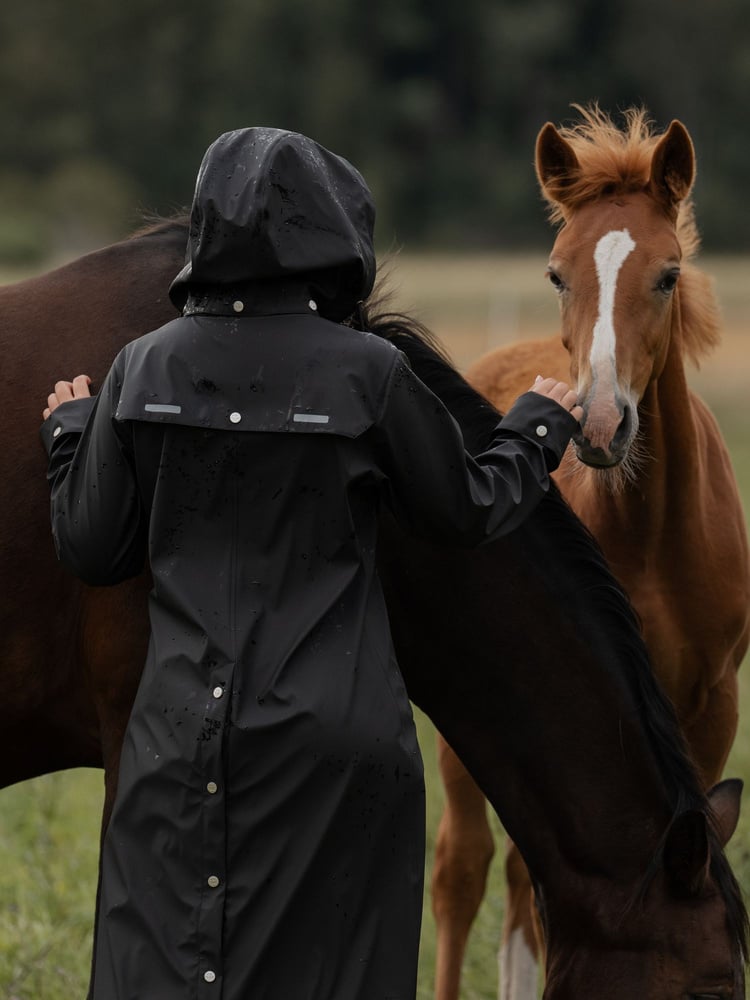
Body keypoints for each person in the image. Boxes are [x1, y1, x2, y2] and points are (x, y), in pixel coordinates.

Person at [40, 127, 582, 1000]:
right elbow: (468, 512)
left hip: (177, 743)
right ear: (336, 233)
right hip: (336, 743)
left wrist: (70, 438)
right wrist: (535, 429)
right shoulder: (370, 373)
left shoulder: (141, 368)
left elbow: (91, 547)